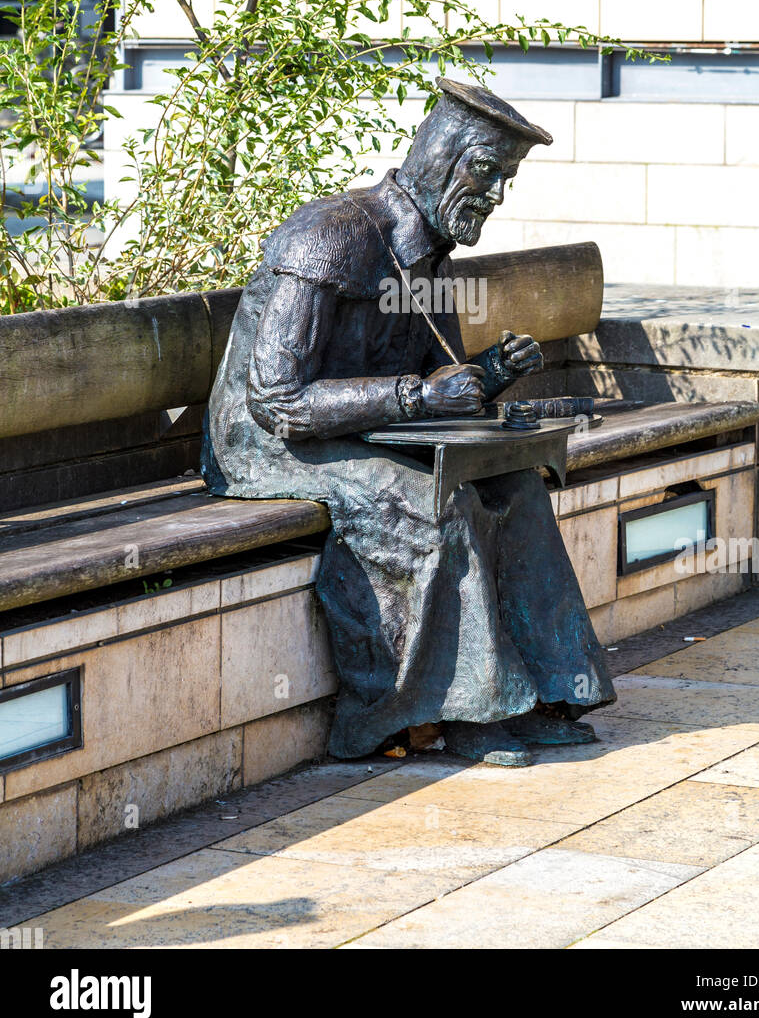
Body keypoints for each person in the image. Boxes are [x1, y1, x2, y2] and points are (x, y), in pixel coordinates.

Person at [202, 76, 615, 766]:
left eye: (505, 180)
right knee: (434, 505)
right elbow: (276, 399)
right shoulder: (327, 237)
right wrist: (417, 399)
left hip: (353, 430)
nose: (495, 195)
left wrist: (486, 377)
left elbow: (439, 381)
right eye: (486, 173)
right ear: (441, 156)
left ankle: (546, 691)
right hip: (267, 444)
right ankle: (455, 711)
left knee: (516, 488)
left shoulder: (428, 258)